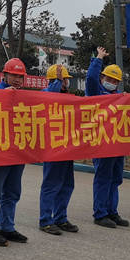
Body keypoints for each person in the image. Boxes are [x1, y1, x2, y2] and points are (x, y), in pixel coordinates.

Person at [0, 57, 30, 246]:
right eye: (14, 75)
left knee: (12, 191)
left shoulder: (24, 96)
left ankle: (7, 226)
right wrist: (2, 96)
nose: (17, 80)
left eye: (20, 77)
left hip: (17, 150)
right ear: (5, 75)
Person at [87, 46, 128, 228]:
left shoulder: (118, 97)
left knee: (115, 178)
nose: (112, 82)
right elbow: (90, 78)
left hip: (117, 143)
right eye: (109, 79)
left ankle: (112, 211)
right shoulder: (95, 93)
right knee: (103, 178)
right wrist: (98, 59)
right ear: (102, 78)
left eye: (115, 81)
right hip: (102, 142)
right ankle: (100, 213)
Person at [38, 64, 79, 235]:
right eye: (62, 79)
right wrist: (57, 82)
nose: (65, 82)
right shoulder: (45, 94)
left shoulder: (69, 98)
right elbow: (50, 98)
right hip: (53, 149)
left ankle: (60, 218)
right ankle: (45, 220)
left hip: (67, 148)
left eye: (66, 79)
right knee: (51, 185)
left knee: (67, 185)